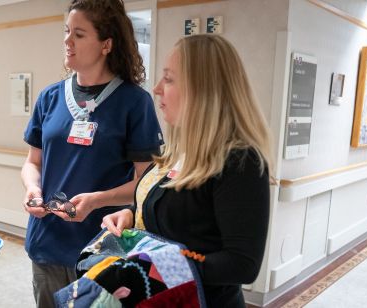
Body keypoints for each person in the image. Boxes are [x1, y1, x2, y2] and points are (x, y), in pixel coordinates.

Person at [102, 34, 272, 308]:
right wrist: (131, 216)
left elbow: (242, 264)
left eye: (169, 79)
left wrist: (157, 267)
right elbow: (176, 216)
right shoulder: (178, 150)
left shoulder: (240, 161)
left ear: (203, 90)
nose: (156, 88)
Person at [21, 0, 163, 306]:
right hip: (46, 243)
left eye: (79, 34)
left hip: (100, 249)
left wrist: (97, 200)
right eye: (66, 32)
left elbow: (144, 184)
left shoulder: (134, 103)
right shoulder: (49, 98)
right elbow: (32, 162)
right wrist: (32, 187)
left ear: (106, 44)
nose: (67, 41)